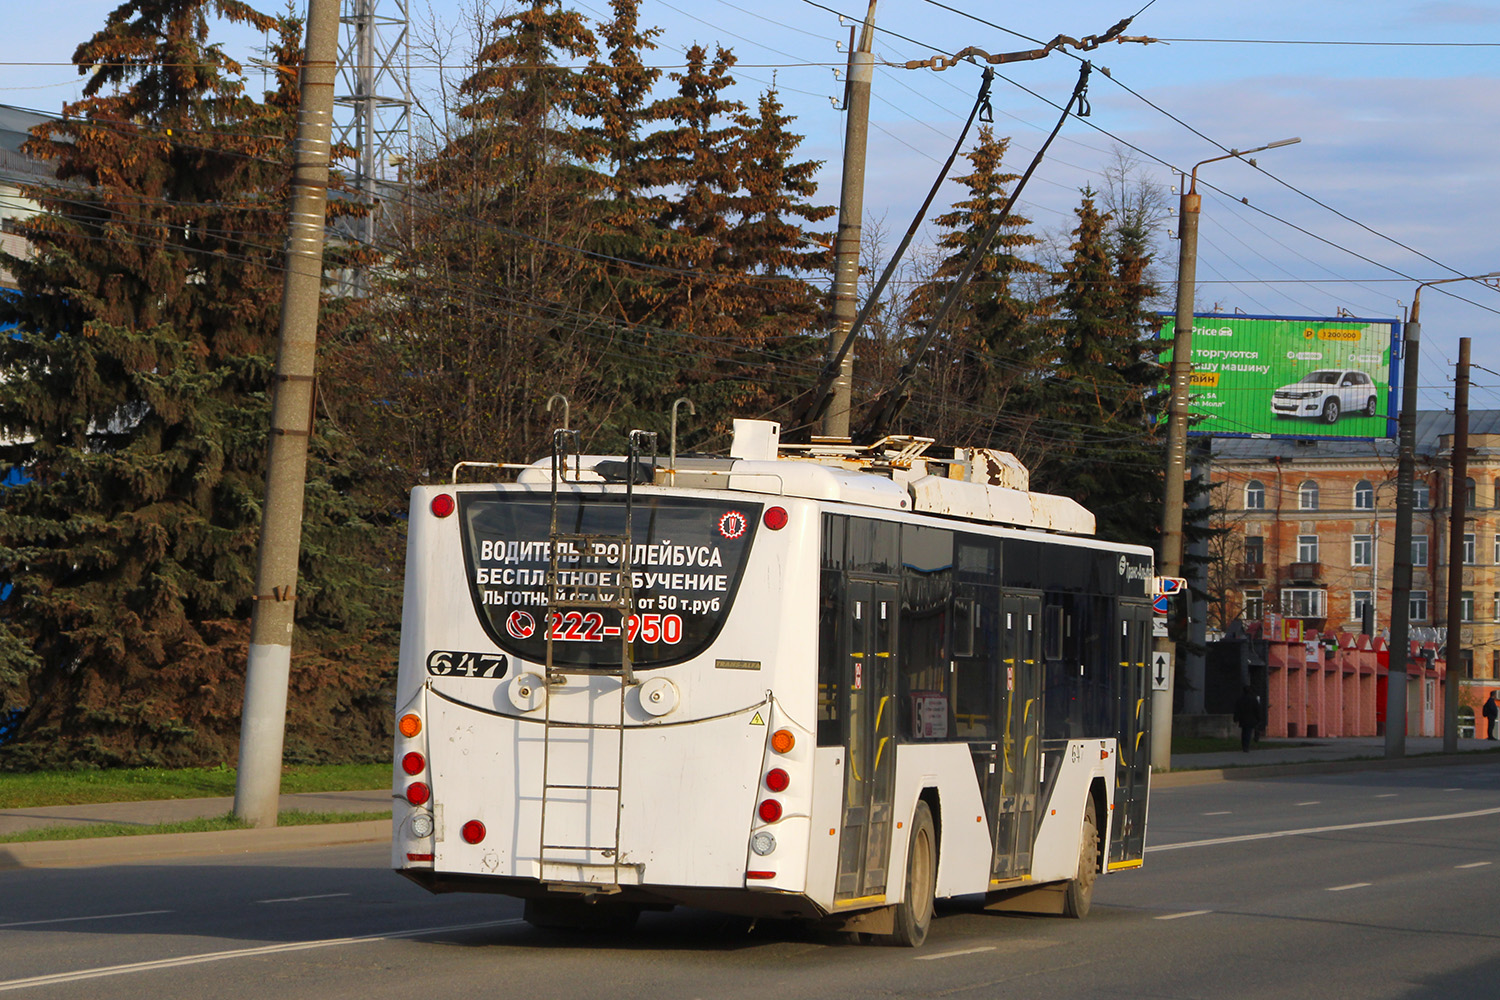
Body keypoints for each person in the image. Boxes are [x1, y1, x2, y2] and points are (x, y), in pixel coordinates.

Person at [1233, 685, 1262, 753]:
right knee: (1248, 732)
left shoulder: (1240, 700)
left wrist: (1236, 718)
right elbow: (1257, 710)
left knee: (1244, 732)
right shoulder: (1253, 699)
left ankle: (1244, 745)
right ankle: (1246, 746)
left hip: (1243, 718)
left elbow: (1237, 710)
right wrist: (1259, 718)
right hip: (1251, 719)